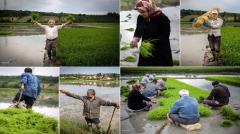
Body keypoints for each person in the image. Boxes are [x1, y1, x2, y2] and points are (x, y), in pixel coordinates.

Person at [131, 0, 173, 66]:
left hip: (160, 51)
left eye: (143, 12)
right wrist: (135, 38)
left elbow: (165, 36)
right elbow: (138, 30)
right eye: (139, 12)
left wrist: (150, 43)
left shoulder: (163, 19)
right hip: (145, 50)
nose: (141, 14)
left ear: (150, 9)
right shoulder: (140, 18)